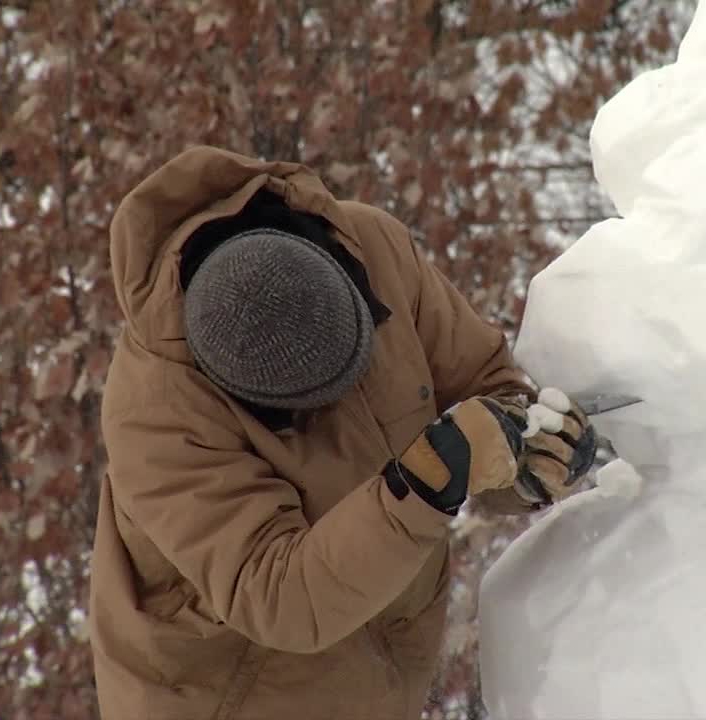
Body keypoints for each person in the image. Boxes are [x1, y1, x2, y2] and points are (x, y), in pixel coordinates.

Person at [88, 145, 598, 720]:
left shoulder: (372, 247)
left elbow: (482, 382)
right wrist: (431, 480)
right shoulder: (158, 416)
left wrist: (525, 457)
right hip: (229, 694)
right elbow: (279, 597)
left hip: (382, 663)